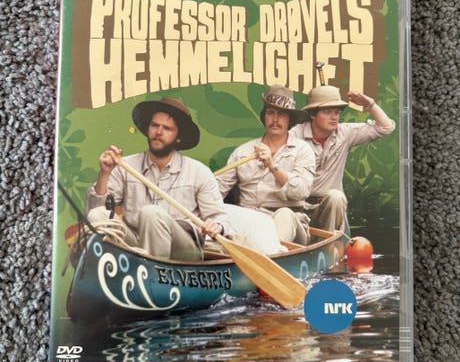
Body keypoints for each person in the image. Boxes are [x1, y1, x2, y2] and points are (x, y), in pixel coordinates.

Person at [85, 97, 231, 261]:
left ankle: (150, 271)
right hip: (137, 243)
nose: (159, 132)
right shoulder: (125, 165)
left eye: (167, 128)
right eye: (154, 125)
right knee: (98, 215)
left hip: (183, 252)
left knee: (151, 213)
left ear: (178, 137)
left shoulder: (199, 172)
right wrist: (104, 173)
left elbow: (220, 217)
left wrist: (216, 225)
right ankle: (124, 266)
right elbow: (96, 209)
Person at [217, 85, 315, 245]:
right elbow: (217, 191)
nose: (275, 119)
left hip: (287, 221)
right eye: (270, 113)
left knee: (285, 214)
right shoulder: (243, 152)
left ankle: (271, 254)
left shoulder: (302, 150)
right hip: (249, 221)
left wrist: (272, 166)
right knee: (221, 213)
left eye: (281, 114)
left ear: (289, 119)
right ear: (264, 117)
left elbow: (301, 191)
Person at [290, 85, 396, 232]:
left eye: (337, 112)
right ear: (313, 114)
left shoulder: (345, 133)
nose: (334, 117)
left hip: (331, 208)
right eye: (327, 112)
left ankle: (332, 242)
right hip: (298, 208)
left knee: (336, 197)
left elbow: (386, 127)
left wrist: (370, 104)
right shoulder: (295, 135)